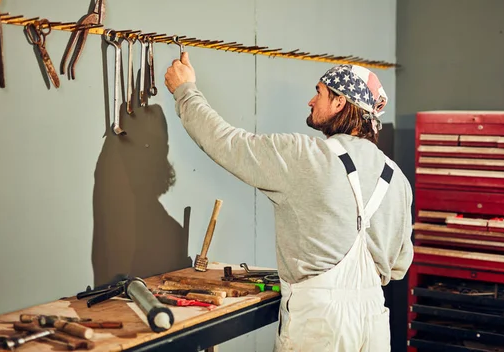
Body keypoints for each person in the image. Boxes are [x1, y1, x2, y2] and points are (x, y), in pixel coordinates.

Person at [164, 52, 414, 351]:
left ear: (340, 102)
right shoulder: (396, 179)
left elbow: (228, 143)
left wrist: (185, 91)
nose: (311, 101)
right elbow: (399, 266)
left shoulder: (305, 156)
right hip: (373, 320)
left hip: (320, 322)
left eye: (319, 92)